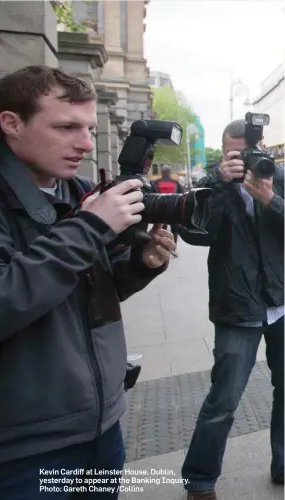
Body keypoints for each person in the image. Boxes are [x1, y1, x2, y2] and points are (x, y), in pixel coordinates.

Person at [0, 65, 176, 500]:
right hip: (23, 451)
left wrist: (140, 264)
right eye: (66, 127)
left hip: (101, 426)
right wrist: (91, 227)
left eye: (90, 128)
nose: (85, 144)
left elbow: (87, 293)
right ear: (10, 123)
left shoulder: (76, 190)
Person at [180, 119, 284, 500]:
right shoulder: (211, 183)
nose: (244, 162)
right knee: (223, 399)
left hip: (280, 303)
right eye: (234, 156)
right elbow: (196, 232)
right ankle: (200, 480)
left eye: (249, 154)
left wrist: (270, 200)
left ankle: (283, 463)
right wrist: (223, 185)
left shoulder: (277, 177)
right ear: (224, 153)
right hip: (237, 307)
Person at [152, 164, 184, 256]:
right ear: (170, 172)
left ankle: (161, 248)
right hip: (173, 210)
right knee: (174, 230)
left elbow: (152, 195)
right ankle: (173, 248)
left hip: (160, 210)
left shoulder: (156, 182)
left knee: (160, 229)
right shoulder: (175, 183)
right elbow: (182, 195)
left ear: (161, 172)